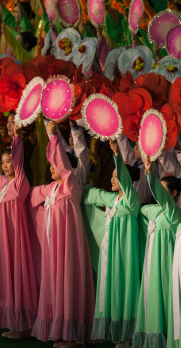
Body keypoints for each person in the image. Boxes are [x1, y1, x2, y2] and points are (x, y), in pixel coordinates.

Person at [30, 121, 94, 347]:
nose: (51, 168)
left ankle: (73, 334)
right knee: (55, 282)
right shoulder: (52, 188)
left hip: (68, 244)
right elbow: (30, 196)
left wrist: (54, 135)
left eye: (55, 166)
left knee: (68, 281)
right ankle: (58, 328)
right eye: (50, 166)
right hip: (53, 245)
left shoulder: (71, 185)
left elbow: (62, 162)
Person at [0, 130, 38, 338]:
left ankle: (23, 325)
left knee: (16, 276)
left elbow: (18, 162)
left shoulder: (20, 184)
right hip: (2, 241)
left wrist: (17, 139)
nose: (5, 165)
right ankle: (14, 323)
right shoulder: (5, 185)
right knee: (6, 277)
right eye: (3, 162)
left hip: (15, 241)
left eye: (8, 162)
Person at [85, 141, 141, 348]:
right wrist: (84, 188)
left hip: (125, 255)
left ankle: (127, 336)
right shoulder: (115, 200)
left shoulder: (131, 199)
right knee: (112, 290)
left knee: (125, 290)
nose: (113, 179)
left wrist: (116, 153)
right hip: (111, 255)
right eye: (112, 175)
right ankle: (118, 335)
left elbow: (124, 179)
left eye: (117, 176)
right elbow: (95, 195)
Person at [134, 159, 181, 348]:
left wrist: (150, 174)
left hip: (168, 263)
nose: (157, 195)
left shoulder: (174, 212)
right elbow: (142, 208)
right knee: (155, 297)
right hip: (155, 263)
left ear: (174, 194)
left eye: (162, 191)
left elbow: (161, 197)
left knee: (168, 299)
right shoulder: (158, 211)